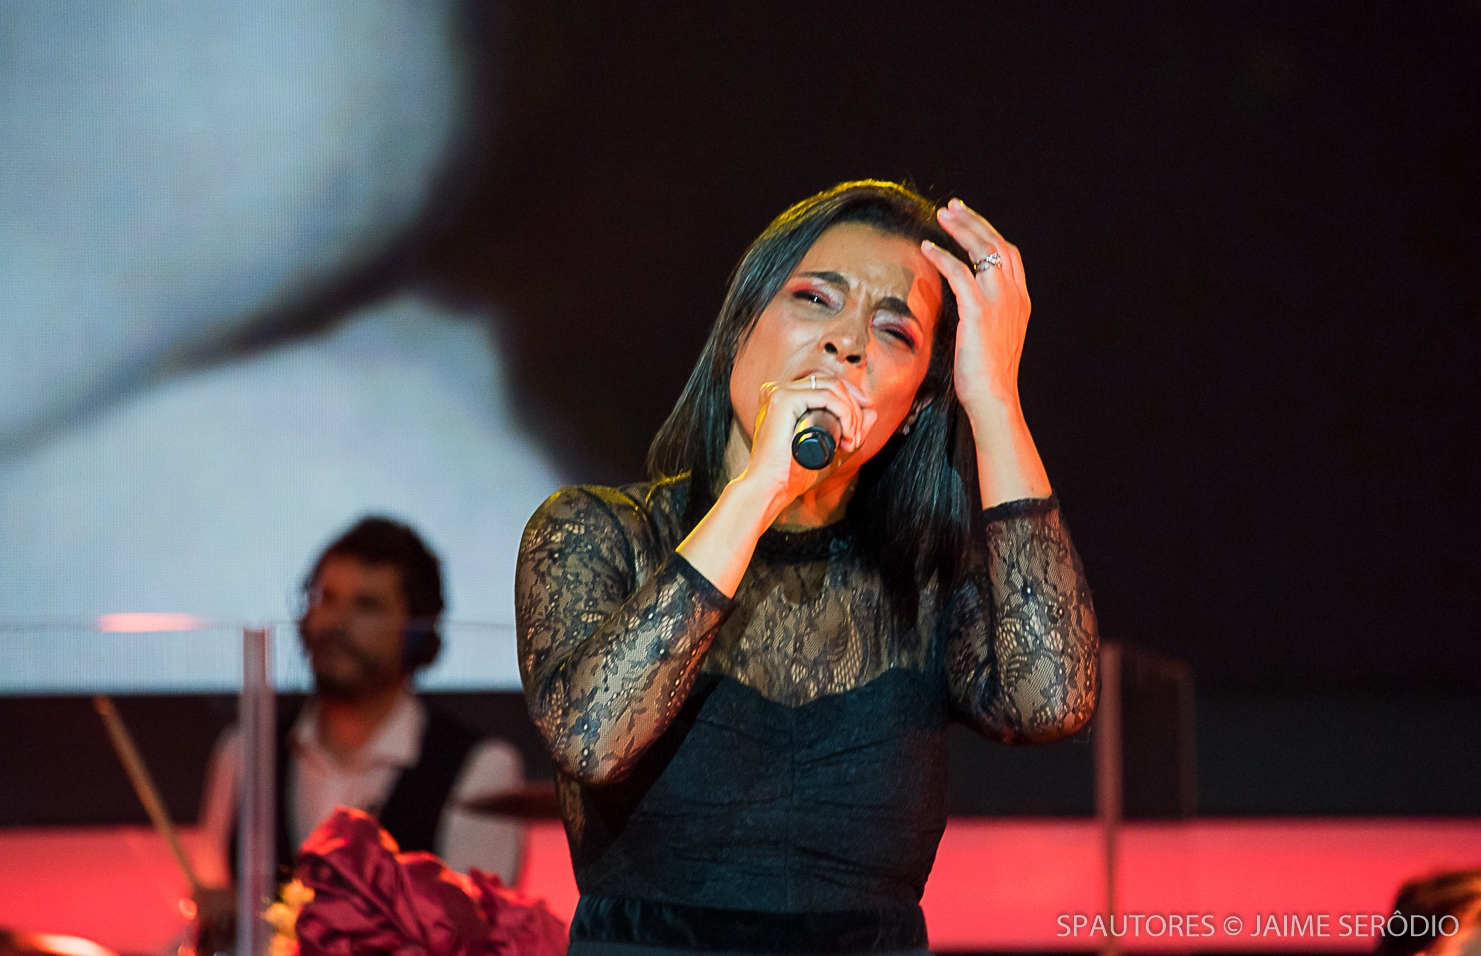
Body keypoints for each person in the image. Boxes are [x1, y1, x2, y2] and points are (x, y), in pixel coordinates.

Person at [515, 180, 1100, 955]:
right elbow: (592, 736)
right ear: (738, 328)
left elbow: (1053, 702)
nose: (846, 344)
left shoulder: (922, 578)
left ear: (913, 408)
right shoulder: (596, 530)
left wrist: (992, 399)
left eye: (892, 332)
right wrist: (762, 488)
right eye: (816, 299)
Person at [195, 517, 526, 917]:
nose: (336, 623)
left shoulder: (479, 769)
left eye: (367, 606)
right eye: (326, 599)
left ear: (417, 631)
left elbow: (471, 933)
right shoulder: (244, 753)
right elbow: (212, 915)